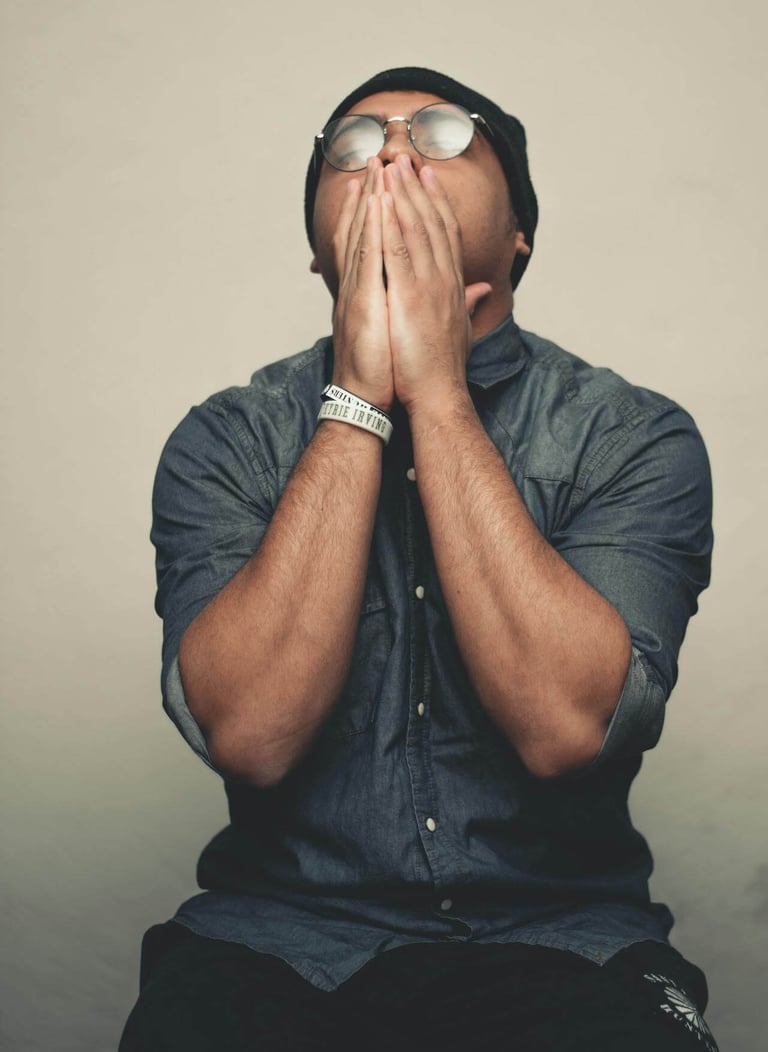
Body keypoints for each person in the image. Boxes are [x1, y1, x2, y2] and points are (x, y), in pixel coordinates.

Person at [119, 67, 717, 1051]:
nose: (391, 153)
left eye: (439, 134)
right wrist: (361, 389)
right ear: (318, 251)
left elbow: (569, 723)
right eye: (350, 148)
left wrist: (435, 389)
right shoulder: (222, 442)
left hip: (568, 946)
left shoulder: (632, 436)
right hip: (278, 943)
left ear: (520, 229)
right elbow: (252, 730)